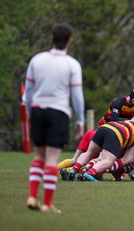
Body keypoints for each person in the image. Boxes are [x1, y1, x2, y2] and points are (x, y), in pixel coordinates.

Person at [25, 23, 85, 213]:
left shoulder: (37, 60)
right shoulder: (72, 64)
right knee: (52, 159)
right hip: (58, 112)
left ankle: (32, 197)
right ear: (70, 40)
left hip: (37, 110)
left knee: (39, 156)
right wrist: (80, 120)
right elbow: (77, 96)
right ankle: (47, 203)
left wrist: (28, 113)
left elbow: (28, 91)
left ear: (52, 38)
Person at [67, 119, 134, 181]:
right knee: (108, 161)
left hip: (104, 128)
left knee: (89, 153)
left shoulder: (129, 121)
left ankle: (73, 170)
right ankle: (90, 173)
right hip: (115, 133)